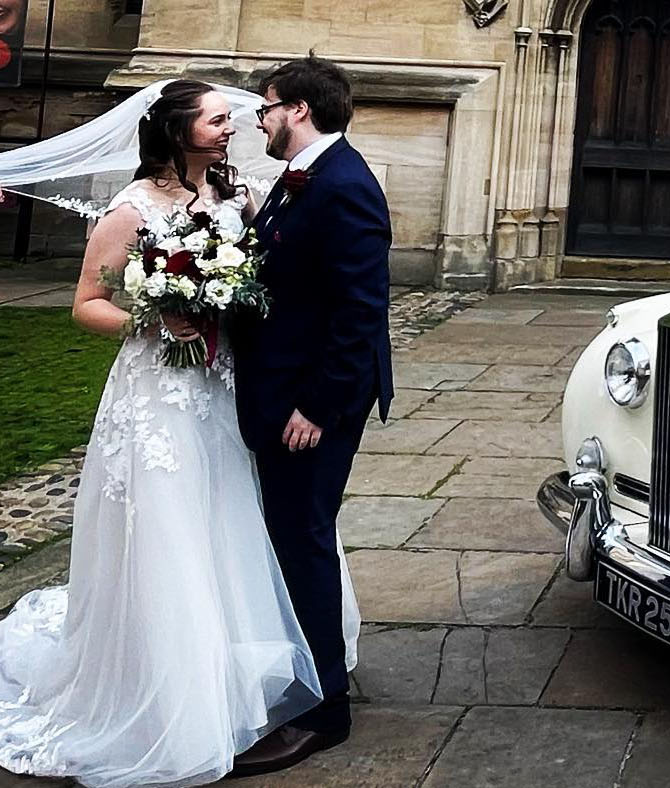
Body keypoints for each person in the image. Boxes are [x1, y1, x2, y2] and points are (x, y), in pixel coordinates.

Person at [0, 79, 359, 787]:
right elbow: (86, 304)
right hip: (159, 393)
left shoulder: (239, 198)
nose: (233, 129)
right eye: (218, 120)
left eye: (234, 120)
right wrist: (157, 318)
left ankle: (243, 673)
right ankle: (168, 687)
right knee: (169, 532)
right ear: (177, 130)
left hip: (227, 391)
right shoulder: (130, 209)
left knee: (233, 524)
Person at [228, 56, 393, 776]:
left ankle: (325, 714)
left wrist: (316, 407)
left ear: (296, 108)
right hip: (282, 389)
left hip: (312, 404)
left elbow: (360, 312)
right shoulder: (304, 183)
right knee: (291, 539)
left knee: (303, 541)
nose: (258, 122)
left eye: (264, 109)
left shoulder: (345, 185)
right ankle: (307, 674)